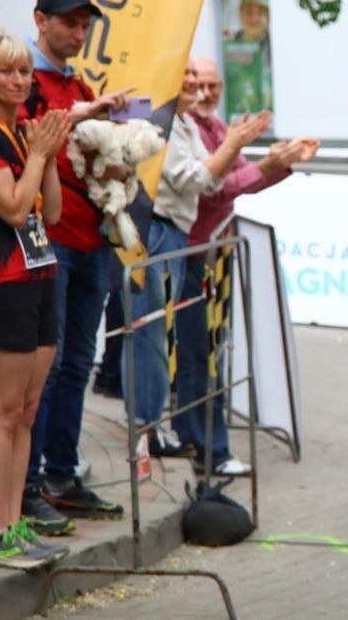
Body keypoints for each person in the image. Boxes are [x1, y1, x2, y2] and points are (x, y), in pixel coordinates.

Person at [0, 14, 71, 569]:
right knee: (1, 413)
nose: (20, 80)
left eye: (25, 71)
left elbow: (52, 212)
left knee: (25, 411)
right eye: (7, 71)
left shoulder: (23, 129)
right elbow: (11, 208)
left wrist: (44, 153)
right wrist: (41, 155)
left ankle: (15, 523)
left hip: (39, 275)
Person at [170, 58, 318, 476]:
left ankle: (198, 440)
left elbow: (240, 180)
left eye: (212, 84)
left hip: (211, 255)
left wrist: (281, 161)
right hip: (190, 254)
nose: (204, 91)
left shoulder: (215, 127)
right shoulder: (183, 127)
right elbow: (212, 189)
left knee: (206, 354)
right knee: (199, 357)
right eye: (194, 81)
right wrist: (270, 164)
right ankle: (206, 448)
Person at [19, 0, 132, 537]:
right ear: (40, 21)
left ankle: (61, 476)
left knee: (76, 365)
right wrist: (87, 113)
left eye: (86, 25)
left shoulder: (80, 84)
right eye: (70, 23)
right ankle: (27, 485)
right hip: (49, 241)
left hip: (91, 240)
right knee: (45, 367)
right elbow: (29, 134)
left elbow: (93, 156)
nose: (79, 33)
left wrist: (120, 152)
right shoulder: (27, 79)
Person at [124, 58, 269, 456]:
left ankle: (156, 429)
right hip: (163, 232)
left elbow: (220, 180)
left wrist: (266, 162)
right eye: (187, 75)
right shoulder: (164, 118)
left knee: (167, 340)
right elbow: (201, 180)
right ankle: (148, 431)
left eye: (204, 79)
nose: (198, 87)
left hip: (185, 238)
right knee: (151, 337)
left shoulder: (188, 122)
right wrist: (237, 148)